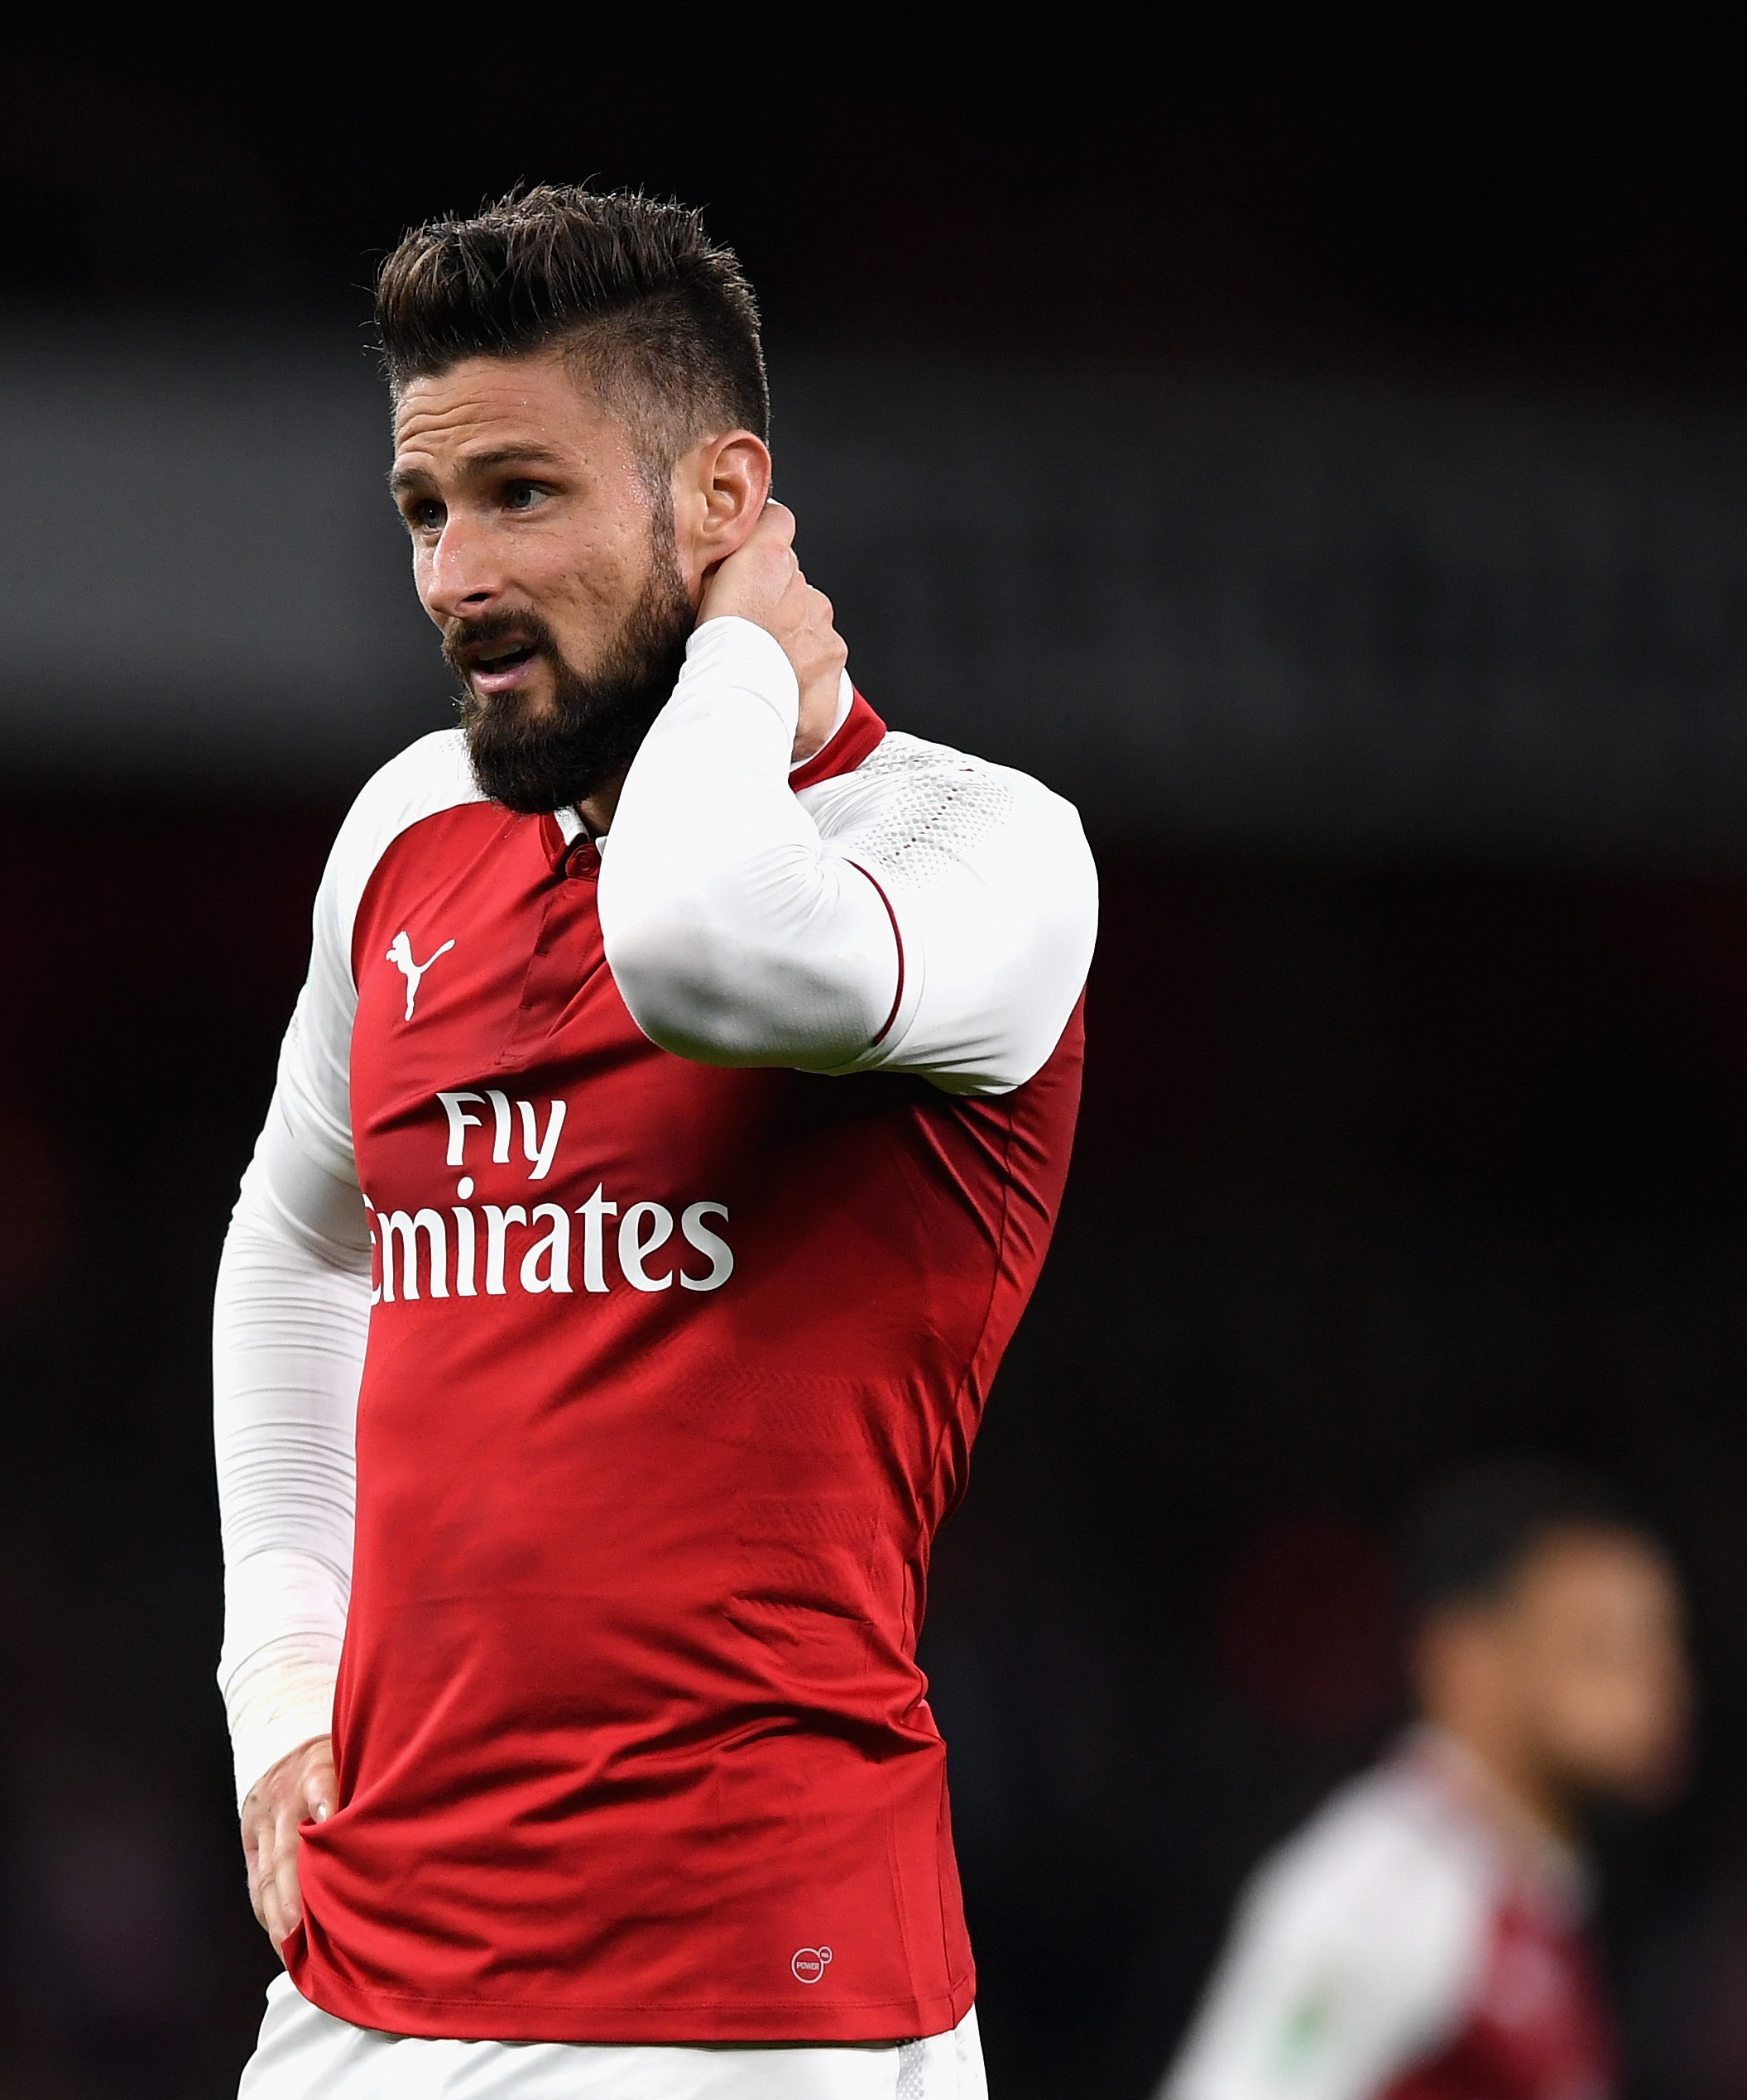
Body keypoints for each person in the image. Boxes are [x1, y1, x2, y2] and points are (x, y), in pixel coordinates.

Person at [209, 186, 1098, 2097]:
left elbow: (700, 944)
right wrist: (277, 1678)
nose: (451, 575)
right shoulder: (407, 834)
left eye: (519, 492)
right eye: (423, 510)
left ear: (721, 500)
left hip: (755, 1999)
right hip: (369, 1980)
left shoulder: (978, 850)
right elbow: (299, 1235)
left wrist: (734, 673)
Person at [1163, 1466, 1690, 2100]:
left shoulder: (1522, 1889)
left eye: (1665, 1644)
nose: (1660, 1684)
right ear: (1468, 1658)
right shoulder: (1389, 1885)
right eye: (1601, 1648)